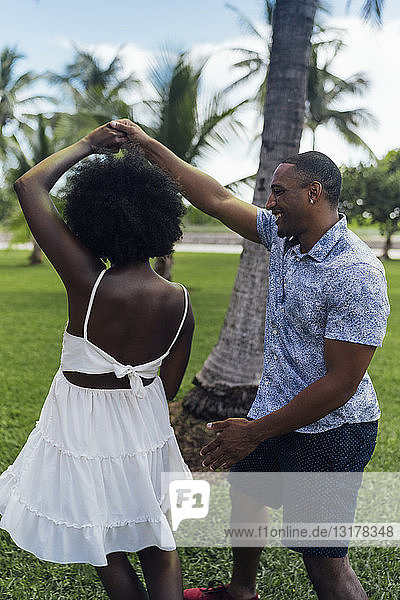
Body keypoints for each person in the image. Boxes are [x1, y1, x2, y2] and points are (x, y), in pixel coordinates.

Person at [109, 119, 390, 600]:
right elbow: (216, 200)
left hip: (331, 430)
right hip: (274, 412)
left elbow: (341, 384)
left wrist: (254, 433)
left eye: (279, 192)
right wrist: (148, 144)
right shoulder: (285, 237)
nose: (270, 201)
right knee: (248, 498)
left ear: (313, 193)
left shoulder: (355, 272)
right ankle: (242, 591)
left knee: (324, 563)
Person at [0, 123, 194, 600]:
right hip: (144, 425)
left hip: (81, 424)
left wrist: (89, 145)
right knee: (156, 536)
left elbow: (29, 185)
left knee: (103, 536)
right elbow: (168, 387)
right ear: (161, 223)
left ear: (95, 222)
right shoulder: (181, 302)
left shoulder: (88, 285)